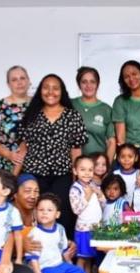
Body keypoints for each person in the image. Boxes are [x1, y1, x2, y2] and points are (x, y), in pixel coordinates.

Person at [17, 74, 88, 238]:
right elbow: (23, 149)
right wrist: (13, 178)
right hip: (35, 176)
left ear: (62, 91)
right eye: (46, 87)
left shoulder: (72, 116)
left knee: (63, 215)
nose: (51, 92)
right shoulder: (31, 115)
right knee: (38, 215)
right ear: (40, 91)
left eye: (55, 88)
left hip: (62, 176)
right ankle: (38, 255)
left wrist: (77, 180)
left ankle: (63, 252)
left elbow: (76, 150)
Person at [26, 193, 90, 273]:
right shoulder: (35, 233)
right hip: (44, 267)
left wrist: (69, 262)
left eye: (49, 210)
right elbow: (32, 259)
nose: (44, 213)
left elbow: (63, 249)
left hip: (59, 263)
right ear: (35, 212)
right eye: (41, 210)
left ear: (57, 214)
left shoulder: (60, 229)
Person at [69, 156, 105, 273]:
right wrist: (88, 195)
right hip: (83, 230)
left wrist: (100, 195)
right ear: (75, 171)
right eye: (82, 170)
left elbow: (102, 205)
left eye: (90, 170)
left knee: (89, 258)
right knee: (82, 259)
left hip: (95, 229)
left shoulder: (93, 185)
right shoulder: (75, 189)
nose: (87, 173)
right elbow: (76, 209)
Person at [0, 65, 31, 173]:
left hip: (36, 168)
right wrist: (9, 155)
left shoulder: (39, 105)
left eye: (22, 78)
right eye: (14, 79)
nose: (19, 82)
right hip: (8, 167)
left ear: (28, 81)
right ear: (8, 84)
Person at [72, 66, 116, 161]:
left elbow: (112, 142)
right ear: (79, 84)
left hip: (98, 166)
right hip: (74, 165)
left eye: (92, 82)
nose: (88, 86)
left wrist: (106, 166)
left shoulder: (106, 109)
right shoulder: (70, 105)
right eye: (84, 82)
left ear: (98, 84)